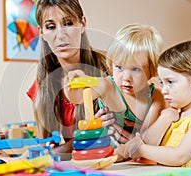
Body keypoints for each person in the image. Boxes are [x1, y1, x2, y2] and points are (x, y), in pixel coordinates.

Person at [64, 23, 166, 161]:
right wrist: (72, 84)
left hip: (135, 162)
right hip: (105, 161)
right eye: (119, 67)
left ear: (152, 71)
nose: (126, 77)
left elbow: (147, 138)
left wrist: (121, 154)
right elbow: (77, 97)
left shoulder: (157, 97)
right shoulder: (108, 86)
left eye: (136, 69)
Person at [26, 0, 113, 158]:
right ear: (41, 33)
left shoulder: (109, 69)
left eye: (68, 23)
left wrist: (63, 148)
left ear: (82, 23)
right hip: (75, 166)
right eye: (51, 27)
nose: (61, 35)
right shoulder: (42, 84)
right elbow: (44, 147)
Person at [127, 39, 191, 167]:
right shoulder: (174, 114)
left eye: (170, 82)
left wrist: (141, 149)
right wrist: (165, 118)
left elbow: (179, 156)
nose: (163, 90)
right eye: (162, 82)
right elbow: (147, 142)